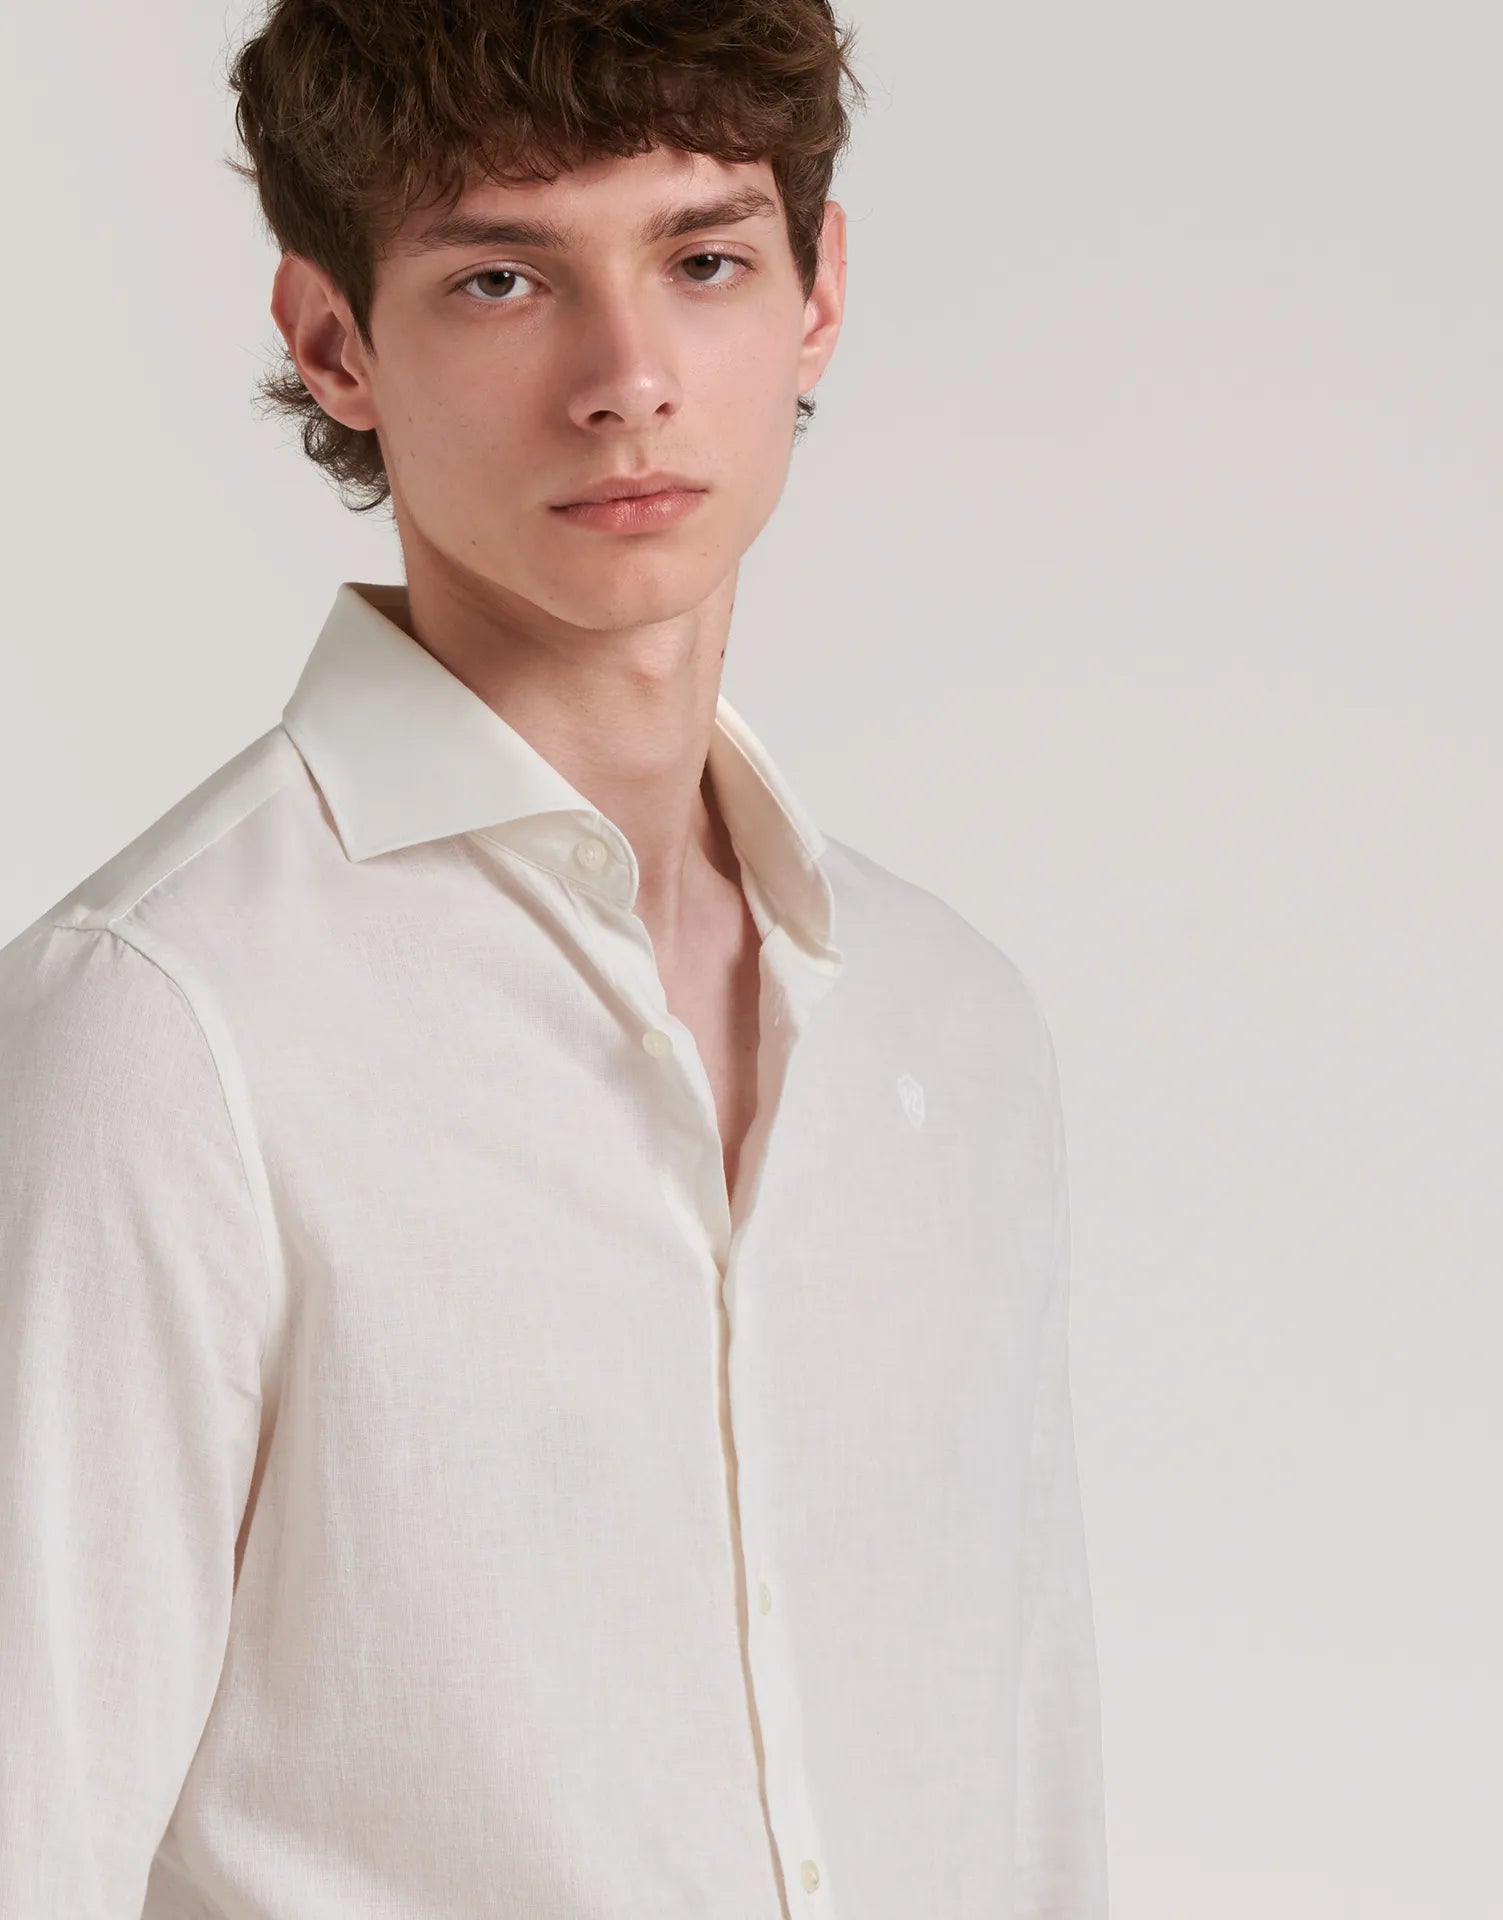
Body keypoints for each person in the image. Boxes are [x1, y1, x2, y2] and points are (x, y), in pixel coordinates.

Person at [0, 2, 1108, 1915]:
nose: (627, 379)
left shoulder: (949, 1029)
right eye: (503, 278)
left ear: (821, 292)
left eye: (703, 260)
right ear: (334, 342)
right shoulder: (165, 1032)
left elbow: (1029, 1807)